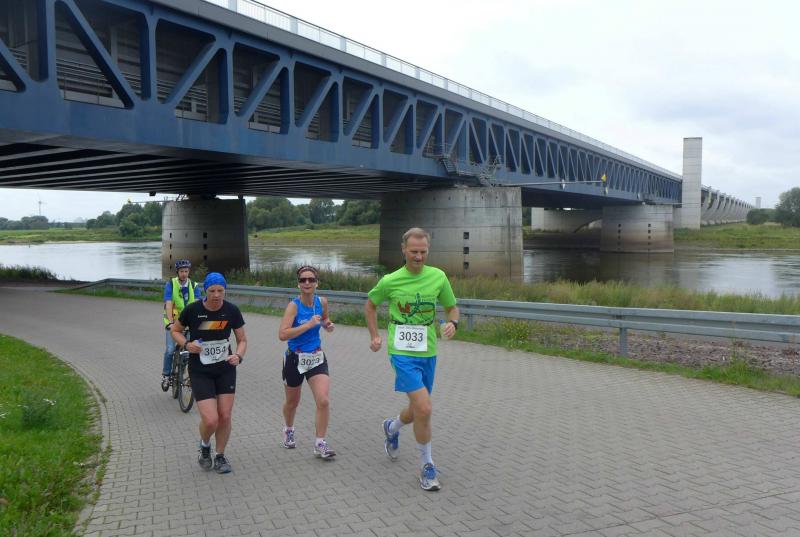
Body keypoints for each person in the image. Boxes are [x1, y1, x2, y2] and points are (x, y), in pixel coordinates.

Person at [364, 227, 459, 491]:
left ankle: (392, 427)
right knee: (425, 409)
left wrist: (453, 323)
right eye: (414, 251)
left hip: (427, 351)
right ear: (404, 250)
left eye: (423, 252)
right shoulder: (391, 280)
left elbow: (452, 307)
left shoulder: (438, 276)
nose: (418, 256)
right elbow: (370, 305)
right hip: (401, 351)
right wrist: (375, 335)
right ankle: (427, 466)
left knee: (418, 408)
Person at [171, 272, 247, 474]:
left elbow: (242, 340)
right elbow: (175, 331)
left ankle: (220, 455)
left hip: (225, 369)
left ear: (225, 290)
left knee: (225, 416)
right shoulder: (193, 310)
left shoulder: (231, 310)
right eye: (212, 291)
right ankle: (205, 445)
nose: (216, 295)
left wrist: (238, 356)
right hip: (200, 370)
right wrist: (187, 344)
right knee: (211, 419)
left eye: (220, 291)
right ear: (205, 291)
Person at [278, 265, 336, 459]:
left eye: (311, 279)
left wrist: (327, 325)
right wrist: (308, 325)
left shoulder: (322, 302)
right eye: (303, 280)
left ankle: (320, 443)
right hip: (295, 358)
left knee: (323, 400)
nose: (307, 283)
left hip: (316, 357)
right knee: (292, 402)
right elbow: (282, 334)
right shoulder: (293, 306)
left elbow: (324, 319)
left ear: (317, 283)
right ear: (298, 284)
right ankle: (288, 429)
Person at [161, 259, 201, 390]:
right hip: (173, 324)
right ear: (177, 272)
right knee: (170, 350)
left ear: (189, 272)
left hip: (188, 324)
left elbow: (197, 305)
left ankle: (184, 374)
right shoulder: (171, 284)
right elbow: (168, 304)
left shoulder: (194, 286)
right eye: (182, 271)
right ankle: (166, 376)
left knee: (189, 351)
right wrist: (170, 322)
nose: (184, 274)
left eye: (186, 271)